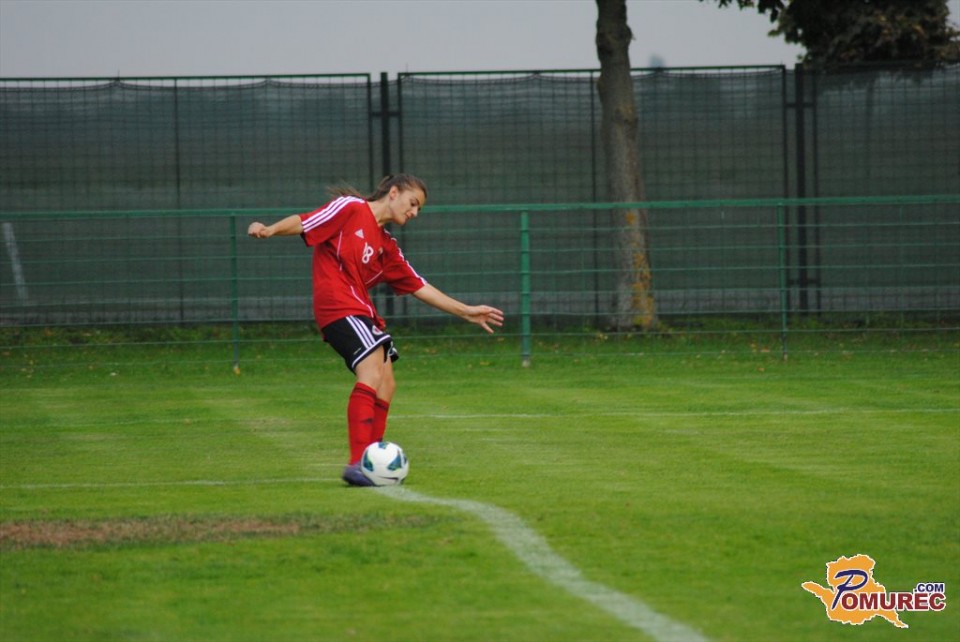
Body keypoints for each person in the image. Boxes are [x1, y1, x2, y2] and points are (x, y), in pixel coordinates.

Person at [247, 174, 504, 486]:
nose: (415, 213)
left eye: (419, 209)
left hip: (360, 310)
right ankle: (358, 463)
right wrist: (270, 229)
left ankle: (372, 460)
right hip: (337, 304)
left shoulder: (386, 246)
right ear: (393, 192)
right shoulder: (351, 208)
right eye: (413, 203)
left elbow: (419, 285)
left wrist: (465, 311)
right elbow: (305, 222)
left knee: (387, 383)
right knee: (370, 370)